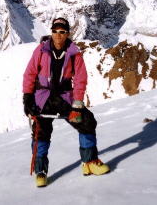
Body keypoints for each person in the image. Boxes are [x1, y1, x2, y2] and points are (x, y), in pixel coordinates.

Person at [22, 17, 110, 187]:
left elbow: (80, 78)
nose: (58, 35)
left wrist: (77, 103)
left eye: (62, 32)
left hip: (65, 98)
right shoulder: (41, 50)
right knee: (41, 131)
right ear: (51, 32)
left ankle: (89, 162)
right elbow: (30, 74)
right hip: (43, 98)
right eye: (55, 31)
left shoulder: (73, 53)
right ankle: (41, 171)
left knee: (86, 121)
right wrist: (27, 98)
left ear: (67, 33)